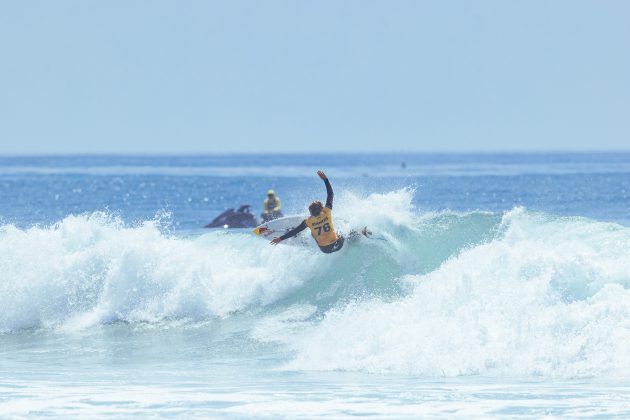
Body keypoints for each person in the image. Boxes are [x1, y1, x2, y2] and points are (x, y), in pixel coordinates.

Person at [271, 171, 367, 253]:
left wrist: (280, 239)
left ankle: (310, 236)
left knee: (312, 233)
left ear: (310, 212)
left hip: (325, 250)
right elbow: (330, 194)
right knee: (343, 232)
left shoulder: (308, 221)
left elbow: (295, 231)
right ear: (321, 209)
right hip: (337, 245)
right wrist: (325, 180)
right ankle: (359, 234)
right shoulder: (327, 212)